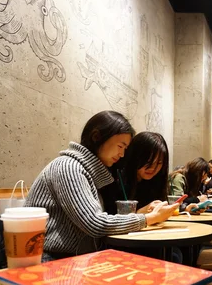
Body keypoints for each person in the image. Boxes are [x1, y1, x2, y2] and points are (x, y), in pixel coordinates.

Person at [25, 111, 179, 261]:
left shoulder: (88, 172)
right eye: (120, 146)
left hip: (76, 258)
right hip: (50, 260)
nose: (122, 155)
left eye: (125, 149)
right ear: (97, 137)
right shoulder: (69, 167)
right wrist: (149, 218)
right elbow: (96, 224)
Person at [102, 132, 170, 215]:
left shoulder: (156, 181)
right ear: (135, 157)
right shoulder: (115, 180)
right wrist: (140, 213)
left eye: (159, 163)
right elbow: (109, 216)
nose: (152, 168)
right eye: (148, 161)